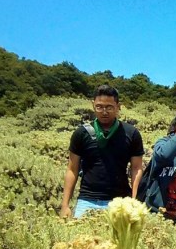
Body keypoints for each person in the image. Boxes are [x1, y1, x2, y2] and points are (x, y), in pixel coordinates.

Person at [60, 85, 144, 218]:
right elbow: (72, 169)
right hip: (87, 201)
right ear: (93, 105)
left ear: (118, 106)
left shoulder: (131, 133)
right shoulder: (81, 133)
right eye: (99, 107)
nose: (104, 111)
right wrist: (65, 205)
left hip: (119, 202)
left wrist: (134, 201)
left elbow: (137, 169)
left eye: (109, 107)